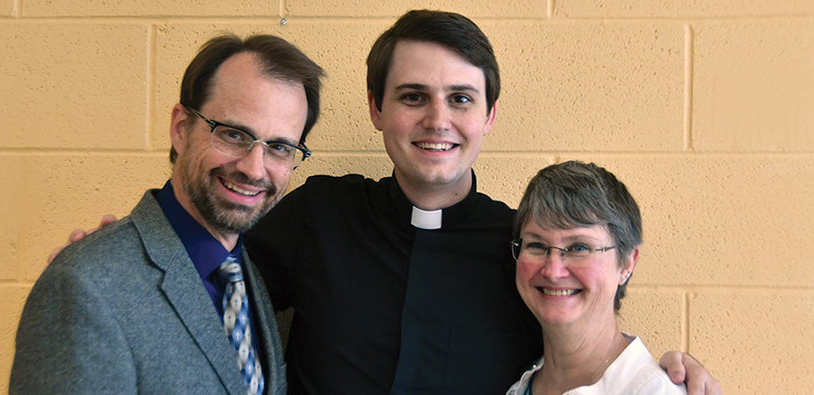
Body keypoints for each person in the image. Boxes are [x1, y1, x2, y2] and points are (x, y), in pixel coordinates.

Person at [49, 10, 721, 395]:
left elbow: (581, 333)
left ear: (489, 115)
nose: (437, 120)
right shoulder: (316, 214)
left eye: (460, 99)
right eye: (411, 96)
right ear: (375, 108)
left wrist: (662, 375)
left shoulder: (519, 247)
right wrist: (124, 264)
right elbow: (208, 275)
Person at [10, 34, 324, 395]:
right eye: (234, 135)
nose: (255, 169)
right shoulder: (86, 285)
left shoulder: (246, 276)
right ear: (181, 129)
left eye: (280, 147)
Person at [506, 161, 687, 395]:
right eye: (537, 245)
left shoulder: (652, 390)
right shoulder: (518, 387)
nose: (553, 271)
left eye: (579, 247)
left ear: (626, 263)